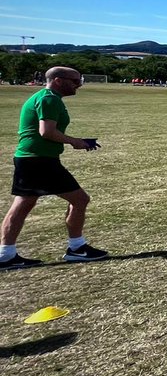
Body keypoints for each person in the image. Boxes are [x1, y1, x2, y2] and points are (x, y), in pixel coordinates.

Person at [1, 66, 106, 267]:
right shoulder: (50, 99)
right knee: (80, 199)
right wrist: (74, 141)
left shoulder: (45, 97)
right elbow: (46, 132)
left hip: (31, 158)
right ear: (58, 80)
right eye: (75, 81)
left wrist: (77, 141)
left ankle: (6, 254)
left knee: (23, 204)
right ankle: (77, 248)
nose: (79, 84)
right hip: (39, 160)